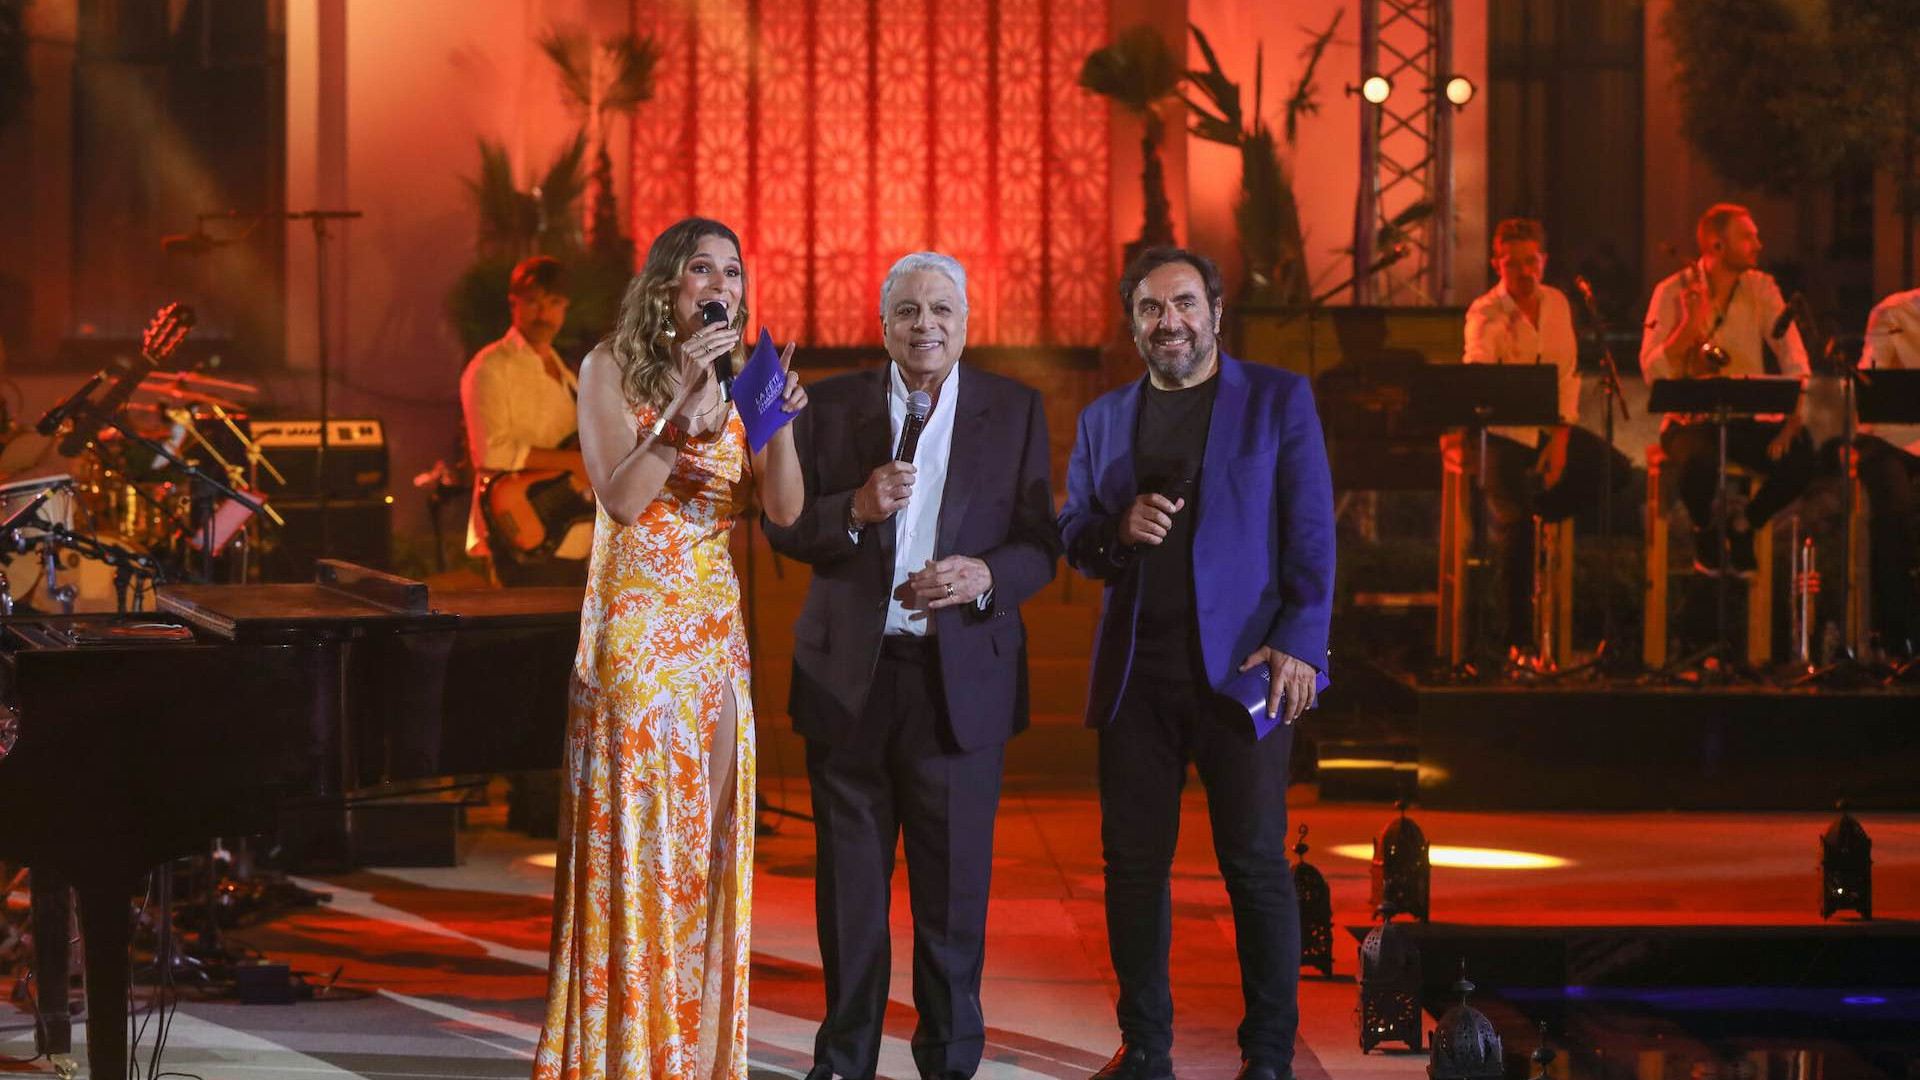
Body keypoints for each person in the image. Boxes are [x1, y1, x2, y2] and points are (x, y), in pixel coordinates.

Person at [761, 251, 1059, 1080]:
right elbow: (785, 529)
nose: (926, 326)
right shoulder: (828, 407)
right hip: (849, 682)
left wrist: (987, 575)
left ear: (966, 324)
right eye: (908, 312)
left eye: (942, 312)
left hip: (955, 684)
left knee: (953, 896)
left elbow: (1042, 542)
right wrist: (854, 510)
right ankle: (844, 1058)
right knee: (851, 897)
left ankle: (950, 1059)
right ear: (883, 324)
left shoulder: (1015, 408)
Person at [533, 217, 808, 1080]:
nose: (720, 281)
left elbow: (787, 512)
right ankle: (627, 1056)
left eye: (733, 268)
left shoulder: (750, 371)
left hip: (713, 634)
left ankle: (693, 1054)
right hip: (636, 635)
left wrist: (780, 424)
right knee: (643, 844)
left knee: (708, 844)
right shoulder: (609, 365)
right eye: (702, 268)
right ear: (667, 286)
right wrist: (687, 406)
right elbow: (619, 500)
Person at [1058, 246, 1335, 1080]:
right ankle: (1145, 1048)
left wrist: (1302, 643)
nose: (1167, 322)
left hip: (1244, 671)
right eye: (1149, 309)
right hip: (1137, 676)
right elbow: (1075, 528)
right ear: (1133, 323)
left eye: (1183, 304)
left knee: (1253, 865)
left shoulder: (1277, 399)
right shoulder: (1106, 416)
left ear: (1216, 311)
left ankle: (1270, 1058)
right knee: (1133, 869)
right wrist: (1116, 531)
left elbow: (1313, 531)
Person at [1639, 203, 1814, 575]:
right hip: (1691, 420)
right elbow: (1651, 370)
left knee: (1802, 456)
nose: (1758, 244)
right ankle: (1705, 529)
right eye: (1747, 237)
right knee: (1699, 462)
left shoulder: (1761, 288)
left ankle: (1744, 524)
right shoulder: (1671, 291)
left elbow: (1792, 351)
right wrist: (1689, 326)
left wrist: (1793, 416)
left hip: (1745, 418)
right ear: (1717, 246)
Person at [1460, 217, 1583, 651]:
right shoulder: (1485, 311)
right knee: (1515, 528)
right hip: (1505, 435)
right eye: (1514, 263)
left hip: (1550, 431)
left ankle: (1544, 511)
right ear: (1498, 264)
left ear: (1544, 261)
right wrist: (1500, 333)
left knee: (1614, 472)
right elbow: (1477, 368)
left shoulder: (1558, 303)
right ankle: (1517, 642)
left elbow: (1568, 374)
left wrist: (1562, 438)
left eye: (1532, 262)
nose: (1525, 271)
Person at [460, 255, 594, 585]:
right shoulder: (490, 367)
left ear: (565, 308)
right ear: (514, 304)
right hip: (520, 534)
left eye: (553, 302)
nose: (542, 312)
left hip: (573, 537)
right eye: (532, 301)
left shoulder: (568, 376)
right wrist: (574, 463)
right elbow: (490, 452)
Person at [1856, 287, 1920, 655]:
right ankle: (1895, 639)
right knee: (1893, 515)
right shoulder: (1892, 312)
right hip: (1891, 436)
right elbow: (1871, 381)